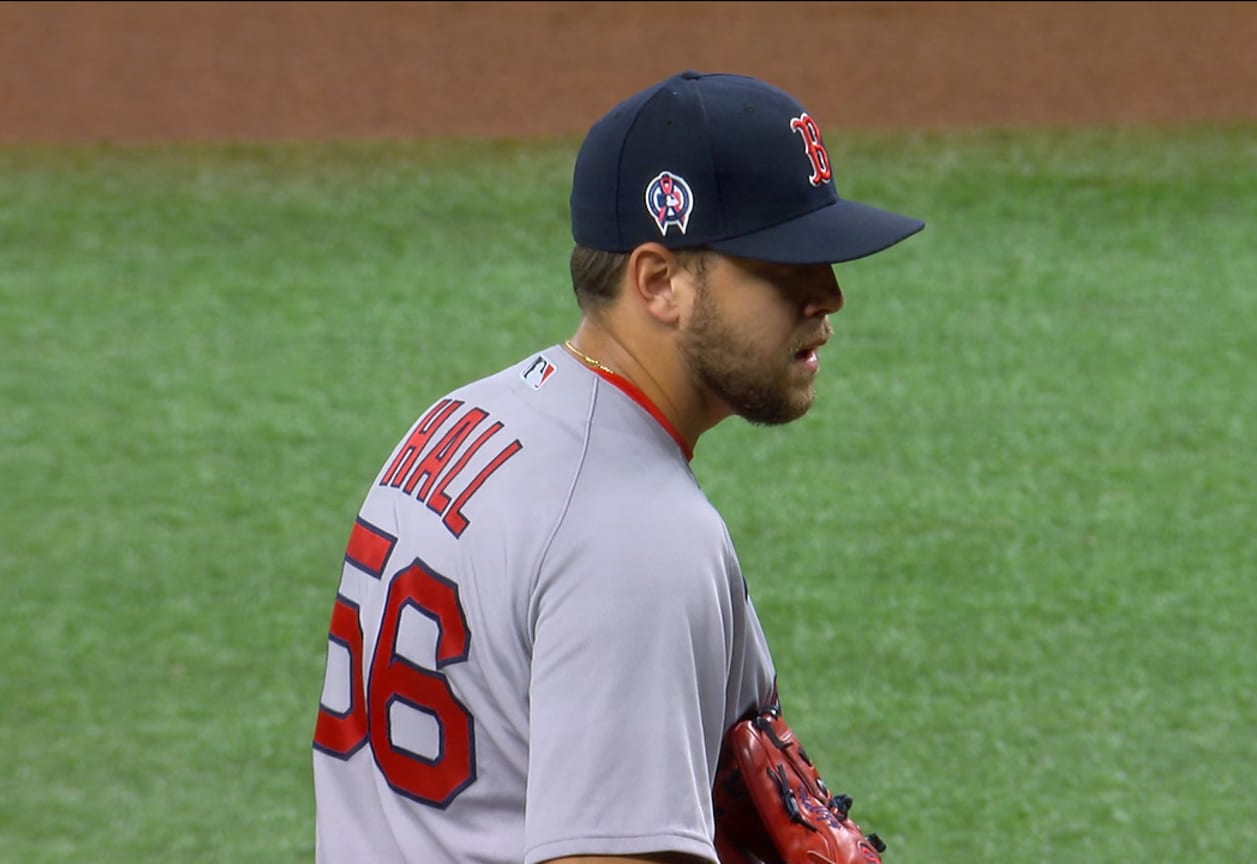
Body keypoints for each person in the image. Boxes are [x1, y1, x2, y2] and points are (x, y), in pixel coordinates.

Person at [312, 69, 925, 864]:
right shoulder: (639, 537)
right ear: (659, 282)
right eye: (783, 266)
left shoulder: (464, 420)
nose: (829, 295)